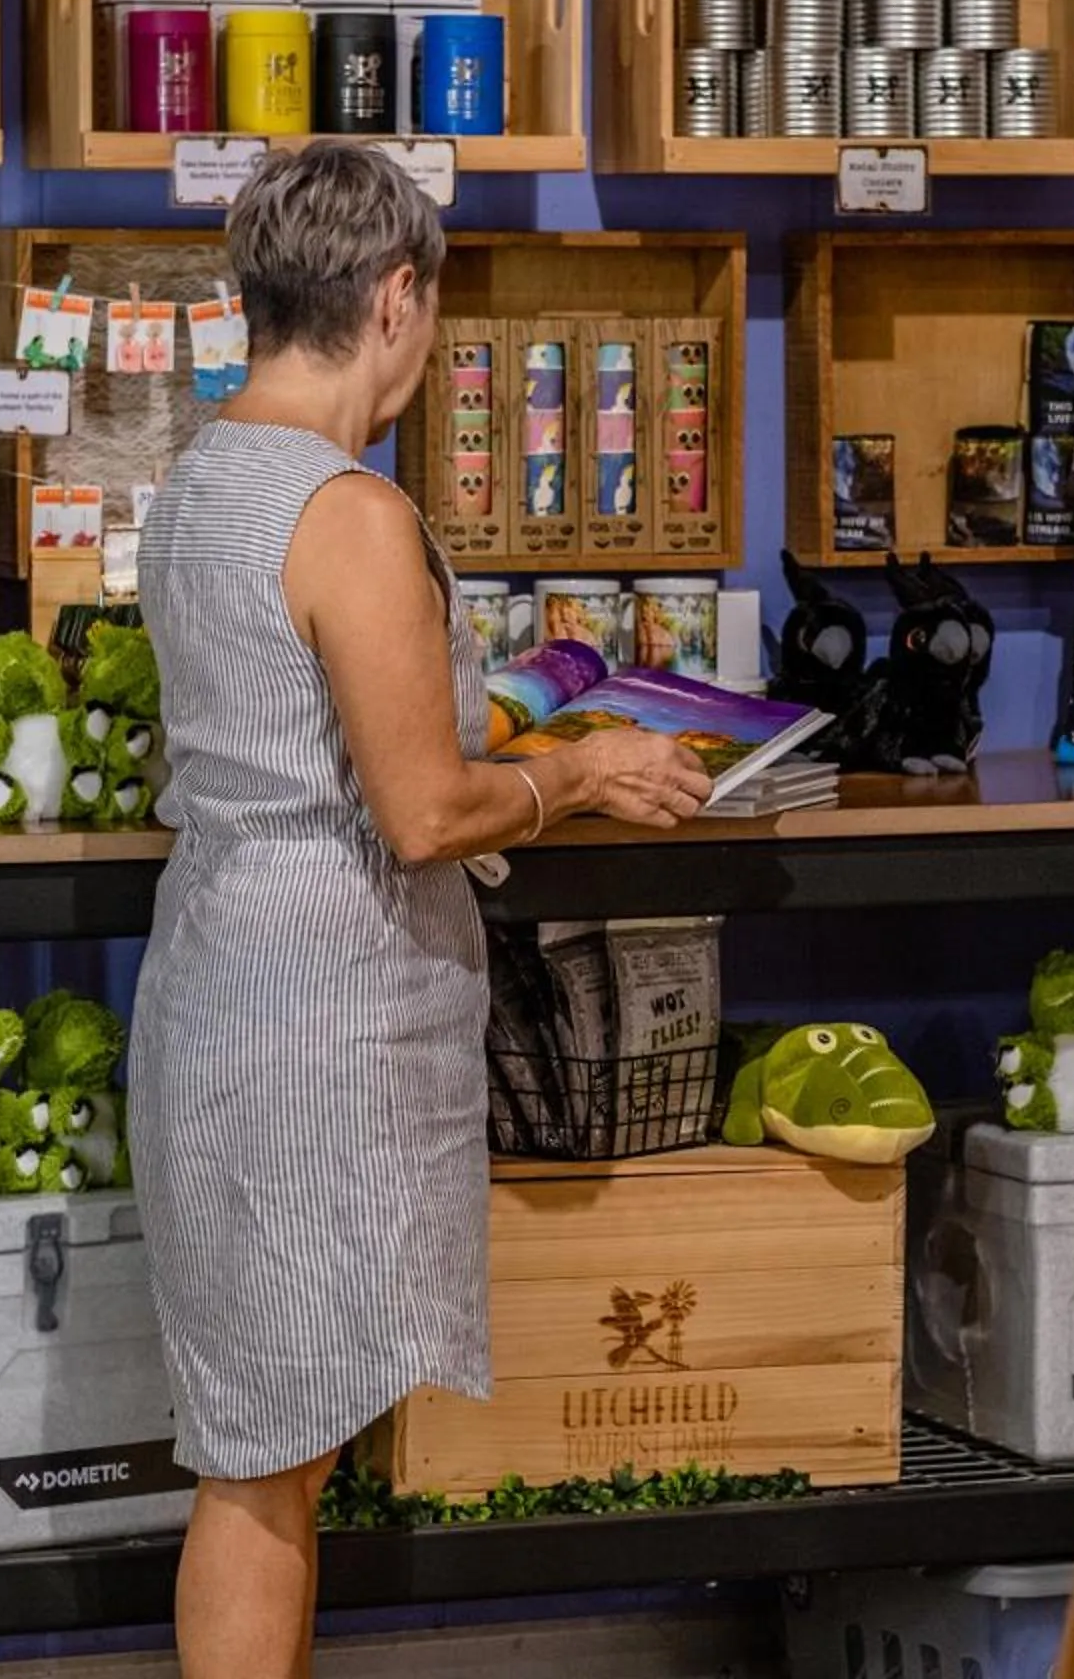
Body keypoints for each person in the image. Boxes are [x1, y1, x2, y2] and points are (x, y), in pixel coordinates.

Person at [130, 145, 710, 1679]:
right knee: (268, 1463)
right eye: (433, 310)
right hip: (320, 1016)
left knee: (263, 1445)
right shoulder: (349, 513)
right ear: (394, 298)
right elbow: (423, 812)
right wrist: (581, 773)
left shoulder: (196, 486)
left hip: (217, 982)